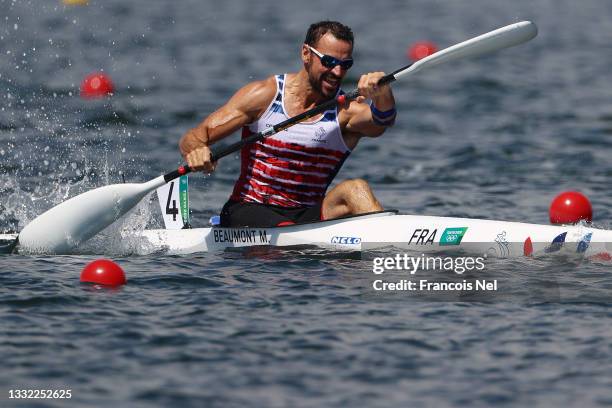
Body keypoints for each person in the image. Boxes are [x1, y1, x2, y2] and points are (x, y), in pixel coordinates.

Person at [179, 20, 397, 228]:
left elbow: (381, 121)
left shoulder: (346, 113)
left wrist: (382, 94)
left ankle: (390, 246)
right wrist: (197, 150)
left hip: (307, 215)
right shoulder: (264, 96)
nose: (337, 72)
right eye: (329, 62)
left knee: (356, 189)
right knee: (285, 231)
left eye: (345, 64)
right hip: (249, 209)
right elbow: (195, 136)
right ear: (306, 54)